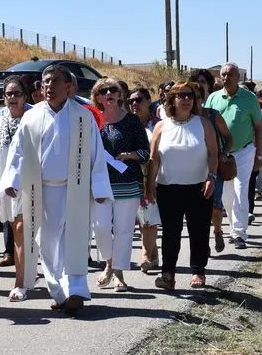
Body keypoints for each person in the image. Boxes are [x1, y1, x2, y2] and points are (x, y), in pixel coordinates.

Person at [0, 64, 113, 315]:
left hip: (75, 189)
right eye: (45, 81)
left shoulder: (83, 117)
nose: (49, 86)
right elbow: (18, 153)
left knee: (75, 240)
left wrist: (100, 188)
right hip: (41, 191)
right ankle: (60, 293)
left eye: (55, 81)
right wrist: (11, 182)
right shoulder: (31, 117)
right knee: (47, 244)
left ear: (68, 86)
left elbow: (96, 154)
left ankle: (76, 290)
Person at [146, 81, 218, 289]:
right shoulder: (161, 126)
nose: (187, 99)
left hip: (199, 187)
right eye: (182, 95)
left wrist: (211, 176)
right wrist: (150, 186)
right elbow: (154, 159)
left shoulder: (204, 124)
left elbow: (213, 153)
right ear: (172, 99)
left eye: (190, 95)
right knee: (171, 233)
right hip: (168, 188)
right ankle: (168, 274)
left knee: (199, 231)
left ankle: (198, 271)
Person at [90, 77, 150, 293]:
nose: (108, 93)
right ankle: (108, 262)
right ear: (97, 97)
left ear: (119, 95)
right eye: (103, 91)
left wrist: (130, 155)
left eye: (112, 90)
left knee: (124, 230)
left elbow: (145, 152)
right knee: (101, 227)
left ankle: (118, 273)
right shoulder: (92, 120)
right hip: (100, 184)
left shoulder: (132, 121)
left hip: (127, 182)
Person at [204, 63, 262, 249]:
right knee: (226, 195)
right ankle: (233, 227)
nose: (226, 77)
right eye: (223, 74)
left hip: (244, 151)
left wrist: (259, 155)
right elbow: (205, 123)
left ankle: (239, 233)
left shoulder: (249, 98)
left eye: (230, 74)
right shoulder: (213, 98)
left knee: (240, 189)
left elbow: (259, 127)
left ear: (238, 77)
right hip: (221, 154)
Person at [0, 75, 33, 301]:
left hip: (29, 185)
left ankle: (21, 282)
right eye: (8, 94)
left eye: (17, 93)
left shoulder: (34, 118)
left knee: (21, 231)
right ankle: (26, 276)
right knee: (17, 232)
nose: (12, 98)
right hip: (5, 187)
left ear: (25, 96)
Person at [188, 68, 233, 253]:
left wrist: (224, 153)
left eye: (198, 96)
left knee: (215, 206)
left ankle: (218, 231)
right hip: (192, 168)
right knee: (197, 209)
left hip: (214, 167)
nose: (195, 100)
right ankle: (203, 241)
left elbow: (228, 138)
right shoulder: (184, 119)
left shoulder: (213, 115)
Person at [128, 86, 159, 271]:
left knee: (148, 217)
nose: (134, 104)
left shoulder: (158, 125)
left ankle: (146, 255)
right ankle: (152, 254)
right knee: (143, 218)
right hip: (134, 177)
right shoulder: (127, 124)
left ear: (148, 101)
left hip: (156, 177)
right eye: (130, 101)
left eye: (138, 100)